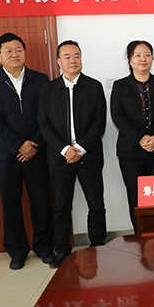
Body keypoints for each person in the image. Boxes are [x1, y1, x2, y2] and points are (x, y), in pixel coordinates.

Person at [0, 33, 54, 270]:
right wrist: (18, 145)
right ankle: (17, 251)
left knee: (41, 202)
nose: (14, 54)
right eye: (8, 50)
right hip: (6, 155)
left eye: (19, 49)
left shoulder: (40, 80)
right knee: (10, 204)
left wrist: (33, 144)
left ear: (24, 52)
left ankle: (44, 247)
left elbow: (48, 116)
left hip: (37, 152)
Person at [38, 40, 107, 268]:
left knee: (96, 204)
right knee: (61, 206)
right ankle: (63, 249)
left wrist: (80, 148)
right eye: (67, 56)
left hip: (89, 156)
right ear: (59, 61)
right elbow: (44, 124)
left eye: (76, 55)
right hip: (59, 158)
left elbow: (99, 122)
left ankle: (98, 245)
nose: (72, 60)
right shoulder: (48, 90)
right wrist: (65, 149)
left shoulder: (94, 87)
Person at [111, 40, 154, 233]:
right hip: (131, 152)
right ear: (130, 59)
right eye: (137, 55)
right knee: (136, 197)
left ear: (152, 58)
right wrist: (140, 138)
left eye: (147, 54)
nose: (143, 59)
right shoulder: (120, 86)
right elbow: (118, 116)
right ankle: (140, 237)